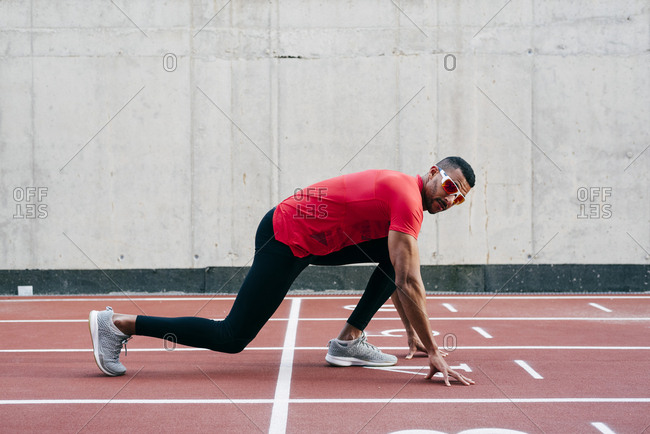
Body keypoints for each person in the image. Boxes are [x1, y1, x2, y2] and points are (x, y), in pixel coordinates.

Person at [89, 156, 476, 386]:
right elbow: (409, 281)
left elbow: (400, 270)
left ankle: (347, 342)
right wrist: (435, 353)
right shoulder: (407, 198)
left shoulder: (405, 197)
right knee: (232, 336)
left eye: (458, 198)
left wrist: (412, 332)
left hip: (313, 238)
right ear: (431, 173)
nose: (450, 198)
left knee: (396, 256)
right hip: (285, 235)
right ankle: (119, 324)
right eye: (448, 185)